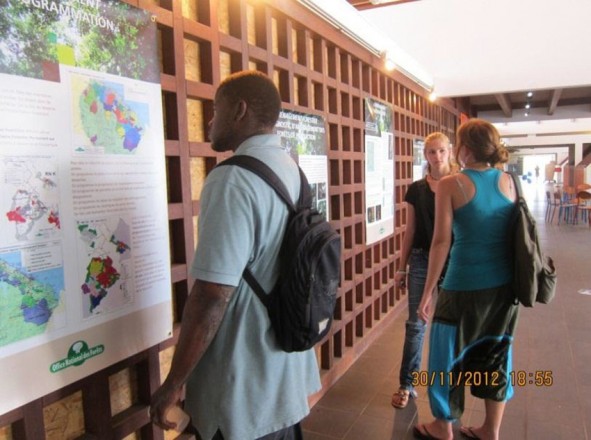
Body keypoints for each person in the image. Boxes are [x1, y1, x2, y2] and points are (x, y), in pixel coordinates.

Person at [150, 71, 321, 440]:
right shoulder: (292, 169)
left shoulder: (231, 179)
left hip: (243, 386)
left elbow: (213, 295)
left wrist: (173, 382)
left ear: (239, 110)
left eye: (216, 110)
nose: (210, 122)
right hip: (285, 372)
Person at [413, 119, 519, 440]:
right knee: (497, 354)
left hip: (460, 288)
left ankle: (443, 426)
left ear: (464, 149)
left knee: (446, 355)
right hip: (503, 291)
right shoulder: (511, 182)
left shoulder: (451, 184)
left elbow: (441, 242)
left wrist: (427, 292)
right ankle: (491, 429)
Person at [391, 132, 455, 409]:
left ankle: (450, 385)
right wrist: (401, 267)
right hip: (420, 259)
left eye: (441, 151)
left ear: (449, 152)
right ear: (425, 155)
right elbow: (410, 230)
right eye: (431, 152)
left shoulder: (459, 184)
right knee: (415, 325)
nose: (437, 157)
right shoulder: (417, 189)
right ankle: (407, 383)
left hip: (454, 261)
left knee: (450, 326)